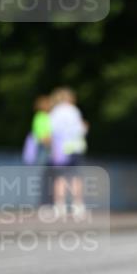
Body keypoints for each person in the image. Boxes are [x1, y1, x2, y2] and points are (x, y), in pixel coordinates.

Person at [49, 88, 89, 217]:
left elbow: (52, 131)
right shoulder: (74, 110)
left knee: (60, 178)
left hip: (61, 148)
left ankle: (59, 206)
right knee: (76, 177)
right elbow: (81, 130)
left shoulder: (55, 112)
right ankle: (78, 205)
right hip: (76, 146)